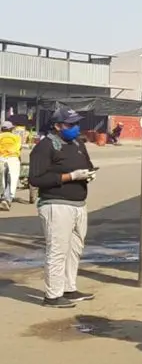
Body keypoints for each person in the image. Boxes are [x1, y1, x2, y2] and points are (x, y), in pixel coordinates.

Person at [27, 108, 97, 308]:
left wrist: (89, 174)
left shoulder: (77, 143)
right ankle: (52, 295)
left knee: (74, 249)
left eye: (76, 124)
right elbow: (35, 179)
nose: (74, 128)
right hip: (56, 205)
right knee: (57, 250)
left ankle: (69, 288)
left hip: (78, 205)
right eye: (69, 124)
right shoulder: (46, 147)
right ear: (57, 126)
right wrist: (70, 177)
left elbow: (88, 164)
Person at [1, 120, 22, 210]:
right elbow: (18, 149)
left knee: (2, 179)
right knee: (12, 179)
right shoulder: (16, 137)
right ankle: (8, 198)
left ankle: (3, 196)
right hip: (13, 159)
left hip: (1, 158)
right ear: (11, 129)